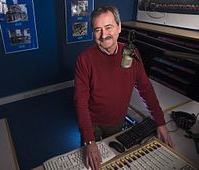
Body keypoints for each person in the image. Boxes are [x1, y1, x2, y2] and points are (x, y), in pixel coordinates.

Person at [74, 5, 172, 170]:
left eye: (108, 27)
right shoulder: (84, 60)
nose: (104, 35)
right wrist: (89, 141)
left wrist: (160, 122)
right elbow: (80, 102)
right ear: (93, 34)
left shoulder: (131, 53)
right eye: (98, 30)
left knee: (115, 162)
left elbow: (146, 89)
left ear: (119, 27)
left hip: (117, 122)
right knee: (92, 165)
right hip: (92, 125)